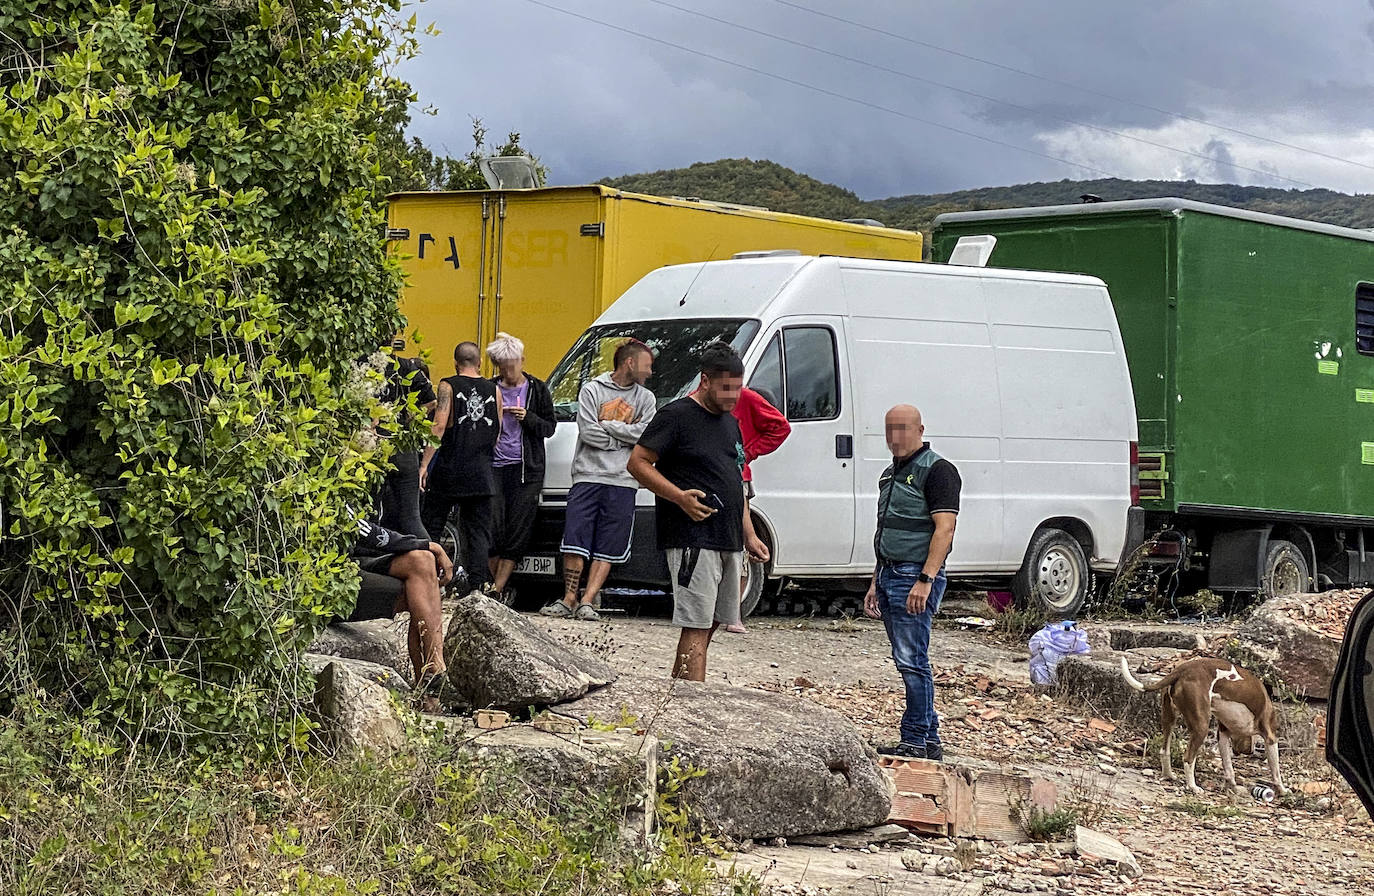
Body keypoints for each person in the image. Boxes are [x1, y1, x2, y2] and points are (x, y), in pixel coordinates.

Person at [628, 342, 770, 681]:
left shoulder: (730, 422)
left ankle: (682, 692)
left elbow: (735, 482)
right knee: (696, 623)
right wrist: (679, 497)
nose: (734, 396)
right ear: (705, 380)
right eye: (726, 388)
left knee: (716, 620)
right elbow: (638, 462)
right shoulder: (676, 416)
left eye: (738, 388)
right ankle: (692, 706)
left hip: (729, 537)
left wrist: (749, 534)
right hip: (692, 536)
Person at [862, 404, 962, 761]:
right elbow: (885, 531)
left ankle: (915, 740)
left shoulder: (937, 471)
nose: (895, 437)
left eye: (903, 428)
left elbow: (945, 529)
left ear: (920, 428)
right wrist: (875, 579)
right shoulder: (890, 474)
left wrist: (926, 579)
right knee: (906, 657)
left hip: (914, 575)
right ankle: (928, 738)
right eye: (890, 429)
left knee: (911, 660)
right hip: (890, 572)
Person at [540, 339, 656, 621]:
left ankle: (588, 600)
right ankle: (568, 598)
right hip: (587, 476)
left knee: (609, 543)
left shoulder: (646, 399)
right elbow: (588, 432)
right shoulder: (593, 389)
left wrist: (611, 427)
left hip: (623, 480)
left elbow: (646, 434)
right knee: (575, 538)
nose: (650, 372)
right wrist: (624, 437)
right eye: (647, 365)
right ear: (630, 362)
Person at [421, 341, 502, 595]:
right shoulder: (494, 390)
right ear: (479, 363)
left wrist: (425, 464)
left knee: (432, 525)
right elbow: (497, 432)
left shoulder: (448, 385)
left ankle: (426, 581)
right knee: (478, 533)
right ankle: (478, 589)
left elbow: (439, 426)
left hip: (450, 469)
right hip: (482, 472)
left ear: (455, 363)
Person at [348, 515, 453, 693]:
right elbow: (357, 526)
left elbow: (410, 517)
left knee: (424, 563)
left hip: (372, 558)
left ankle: (433, 674)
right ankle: (429, 688)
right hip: (335, 569)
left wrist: (431, 556)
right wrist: (428, 545)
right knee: (421, 593)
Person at [486, 332, 556, 597]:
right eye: (503, 365)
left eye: (513, 364)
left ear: (522, 360)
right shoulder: (490, 388)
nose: (509, 370)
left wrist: (528, 417)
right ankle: (493, 585)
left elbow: (549, 428)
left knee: (518, 527)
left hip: (527, 469)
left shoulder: (537, 389)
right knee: (492, 526)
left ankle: (498, 587)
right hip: (494, 465)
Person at [722, 385, 790, 633]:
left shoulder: (746, 397)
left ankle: (734, 613)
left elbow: (781, 427)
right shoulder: (699, 395)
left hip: (738, 476)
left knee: (738, 542)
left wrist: (749, 452)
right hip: (708, 475)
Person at [377, 354, 437, 539]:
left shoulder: (363, 363)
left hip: (374, 445)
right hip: (403, 446)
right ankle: (433, 559)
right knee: (411, 518)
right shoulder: (405, 365)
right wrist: (409, 419)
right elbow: (432, 401)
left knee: (372, 513)